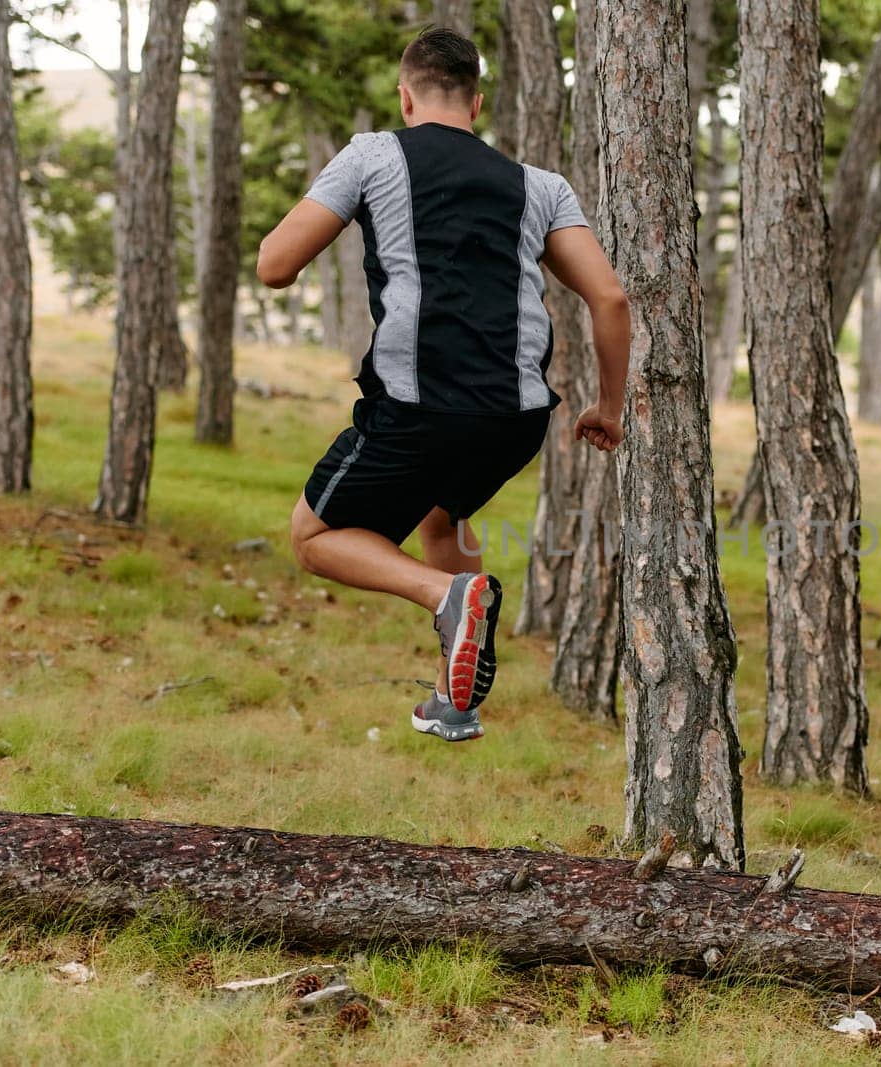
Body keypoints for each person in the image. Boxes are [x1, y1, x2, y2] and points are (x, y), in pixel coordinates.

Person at [256, 28, 630, 743]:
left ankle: (446, 595)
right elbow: (609, 298)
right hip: (517, 415)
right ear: (477, 104)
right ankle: (454, 697)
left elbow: (276, 264)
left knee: (314, 536)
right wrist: (608, 407)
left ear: (406, 96)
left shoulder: (372, 154)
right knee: (440, 517)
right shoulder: (541, 186)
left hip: (421, 405)